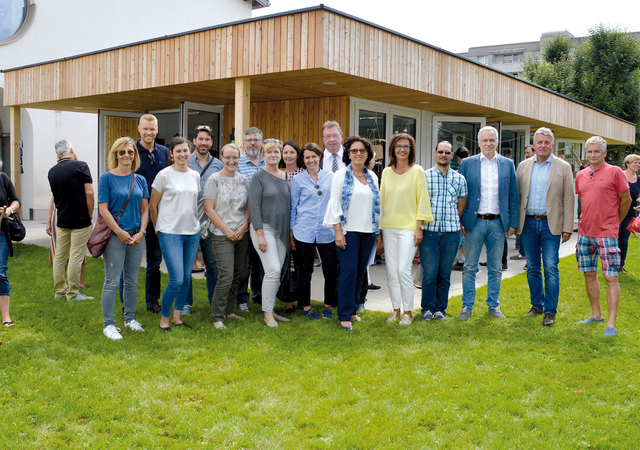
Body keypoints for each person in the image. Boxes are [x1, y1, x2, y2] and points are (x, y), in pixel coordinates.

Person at [458, 126, 519, 320]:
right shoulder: (467, 163)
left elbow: (513, 196)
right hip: (473, 223)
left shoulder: (508, 164)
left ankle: (493, 306)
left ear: (497, 142)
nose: (489, 143)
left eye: (492, 140)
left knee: (495, 268)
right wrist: (459, 220)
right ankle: (467, 306)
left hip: (497, 224)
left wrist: (513, 223)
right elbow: (461, 194)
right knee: (469, 267)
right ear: (478, 143)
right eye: (485, 140)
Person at [516, 128, 574, 326]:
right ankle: (536, 305)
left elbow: (569, 198)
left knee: (550, 266)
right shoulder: (523, 166)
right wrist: (515, 224)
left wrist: (568, 226)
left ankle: (550, 311)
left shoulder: (564, 167)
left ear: (552, 144)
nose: (542, 145)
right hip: (529, 223)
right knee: (532, 267)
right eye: (539, 142)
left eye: (546, 142)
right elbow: (517, 197)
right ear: (534, 144)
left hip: (552, 224)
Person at [575, 136, 631, 337]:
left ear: (604, 153)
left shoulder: (615, 172)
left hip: (607, 233)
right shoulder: (581, 175)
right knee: (589, 274)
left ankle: (611, 324)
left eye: (596, 151)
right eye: (589, 151)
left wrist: (615, 221)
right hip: (584, 232)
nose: (592, 155)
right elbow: (584, 200)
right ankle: (596, 315)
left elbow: (626, 199)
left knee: (611, 277)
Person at [324, 136, 381, 331]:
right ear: (348, 154)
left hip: (368, 232)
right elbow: (334, 203)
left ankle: (354, 309)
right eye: (354, 151)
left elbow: (376, 206)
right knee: (348, 272)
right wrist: (338, 231)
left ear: (367, 154)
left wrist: (376, 232)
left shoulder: (372, 176)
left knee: (359, 272)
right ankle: (344, 315)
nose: (358, 154)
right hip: (349, 231)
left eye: (362, 151)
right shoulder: (340, 175)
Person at [97, 137, 149, 340]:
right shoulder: (107, 178)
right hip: (114, 237)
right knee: (111, 281)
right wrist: (118, 231)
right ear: (115, 155)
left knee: (132, 280)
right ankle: (108, 324)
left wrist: (142, 232)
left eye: (130, 152)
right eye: (122, 152)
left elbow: (145, 209)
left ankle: (130, 319)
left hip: (136, 236)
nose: (127, 155)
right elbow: (103, 208)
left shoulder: (140, 180)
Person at [380, 133, 433, 325]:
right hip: (388, 227)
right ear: (393, 149)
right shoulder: (386, 172)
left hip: (409, 228)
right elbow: (382, 199)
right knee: (391, 271)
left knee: (403, 270)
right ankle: (395, 310)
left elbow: (422, 200)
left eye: (406, 146)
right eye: (398, 146)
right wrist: (378, 228)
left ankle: (408, 312)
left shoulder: (417, 171)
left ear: (411, 150)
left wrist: (420, 227)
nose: (402, 149)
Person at [150, 136, 201, 332]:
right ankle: (164, 319)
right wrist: (157, 228)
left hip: (191, 231)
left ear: (190, 152)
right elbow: (153, 205)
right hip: (170, 232)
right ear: (172, 153)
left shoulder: (194, 175)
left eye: (185, 150)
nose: (182, 154)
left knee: (187, 277)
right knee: (176, 278)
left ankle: (178, 318)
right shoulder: (164, 175)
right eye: (178, 151)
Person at [203, 143, 250, 329]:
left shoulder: (244, 180)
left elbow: (247, 208)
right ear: (222, 158)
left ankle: (229, 311)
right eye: (228, 157)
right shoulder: (214, 179)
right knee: (226, 274)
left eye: (235, 157)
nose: (231, 161)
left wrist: (244, 226)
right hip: (221, 233)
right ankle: (217, 316)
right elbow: (209, 209)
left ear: (239, 158)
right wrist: (227, 230)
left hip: (241, 233)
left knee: (237, 273)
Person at [420, 141, 467, 321]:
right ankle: (427, 309)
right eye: (441, 152)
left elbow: (461, 206)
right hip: (429, 232)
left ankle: (440, 309)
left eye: (447, 152)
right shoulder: (424, 177)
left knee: (444, 273)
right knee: (430, 273)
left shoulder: (459, 179)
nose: (443, 155)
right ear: (435, 153)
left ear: (452, 155)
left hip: (451, 232)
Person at [290, 142, 337, 320]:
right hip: (304, 231)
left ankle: (328, 305)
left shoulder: (331, 177)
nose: (311, 160)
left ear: (320, 157)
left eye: (314, 156)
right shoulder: (298, 179)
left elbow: (335, 203)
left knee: (330, 271)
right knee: (304, 271)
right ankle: (306, 307)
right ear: (303, 159)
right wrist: (291, 231)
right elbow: (293, 206)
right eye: (307, 157)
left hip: (327, 231)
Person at [248, 139, 292, 327]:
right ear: (263, 155)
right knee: (273, 270)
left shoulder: (286, 177)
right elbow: (253, 206)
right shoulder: (258, 177)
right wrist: (259, 233)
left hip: (281, 230)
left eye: (276, 152)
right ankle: (267, 314)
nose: (273, 155)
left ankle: (271, 309)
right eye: (269, 152)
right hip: (263, 228)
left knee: (276, 271)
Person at [48, 139, 95, 302]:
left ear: (57, 154)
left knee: (60, 255)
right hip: (80, 218)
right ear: (71, 150)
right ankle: (73, 293)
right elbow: (89, 194)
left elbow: (55, 197)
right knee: (76, 254)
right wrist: (89, 214)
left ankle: (59, 290)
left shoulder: (52, 172)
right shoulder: (81, 166)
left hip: (62, 219)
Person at [183, 124, 223, 315]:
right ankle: (186, 304)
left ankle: (213, 302)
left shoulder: (218, 164)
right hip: (188, 221)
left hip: (210, 222)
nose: (204, 142)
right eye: (201, 139)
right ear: (194, 141)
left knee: (212, 265)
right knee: (187, 266)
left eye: (207, 139)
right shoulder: (185, 161)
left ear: (211, 142)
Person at [135, 114, 170, 313]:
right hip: (137, 214)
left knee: (154, 262)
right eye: (145, 129)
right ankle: (127, 304)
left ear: (157, 130)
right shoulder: (131, 151)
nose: (149, 132)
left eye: (152, 129)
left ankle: (152, 302)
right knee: (129, 262)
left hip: (158, 214)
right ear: (139, 129)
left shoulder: (164, 152)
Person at [235, 127, 266, 312]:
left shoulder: (268, 162)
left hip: (264, 221)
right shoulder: (238, 164)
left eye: (256, 139)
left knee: (261, 262)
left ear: (261, 141)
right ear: (244, 142)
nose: (253, 143)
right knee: (244, 264)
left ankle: (259, 295)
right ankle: (241, 299)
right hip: (244, 220)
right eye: (249, 140)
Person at [278, 140, 303, 312]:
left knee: (300, 263)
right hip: (281, 223)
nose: (288, 155)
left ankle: (301, 298)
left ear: (297, 154)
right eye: (285, 152)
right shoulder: (277, 174)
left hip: (300, 223)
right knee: (284, 263)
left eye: (291, 152)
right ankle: (288, 300)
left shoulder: (303, 173)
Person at [0, 173, 20, 327]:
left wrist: (9, 211)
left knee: (1, 272)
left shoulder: (2, 178)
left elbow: (16, 201)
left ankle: (6, 318)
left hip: (1, 233)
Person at [617, 154, 640, 274]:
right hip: (617, 211)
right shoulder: (620, 176)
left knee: (624, 239)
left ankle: (621, 265)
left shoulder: (639, 179)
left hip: (631, 214)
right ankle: (612, 264)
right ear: (627, 163)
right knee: (614, 237)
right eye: (635, 162)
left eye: (639, 163)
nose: (637, 165)